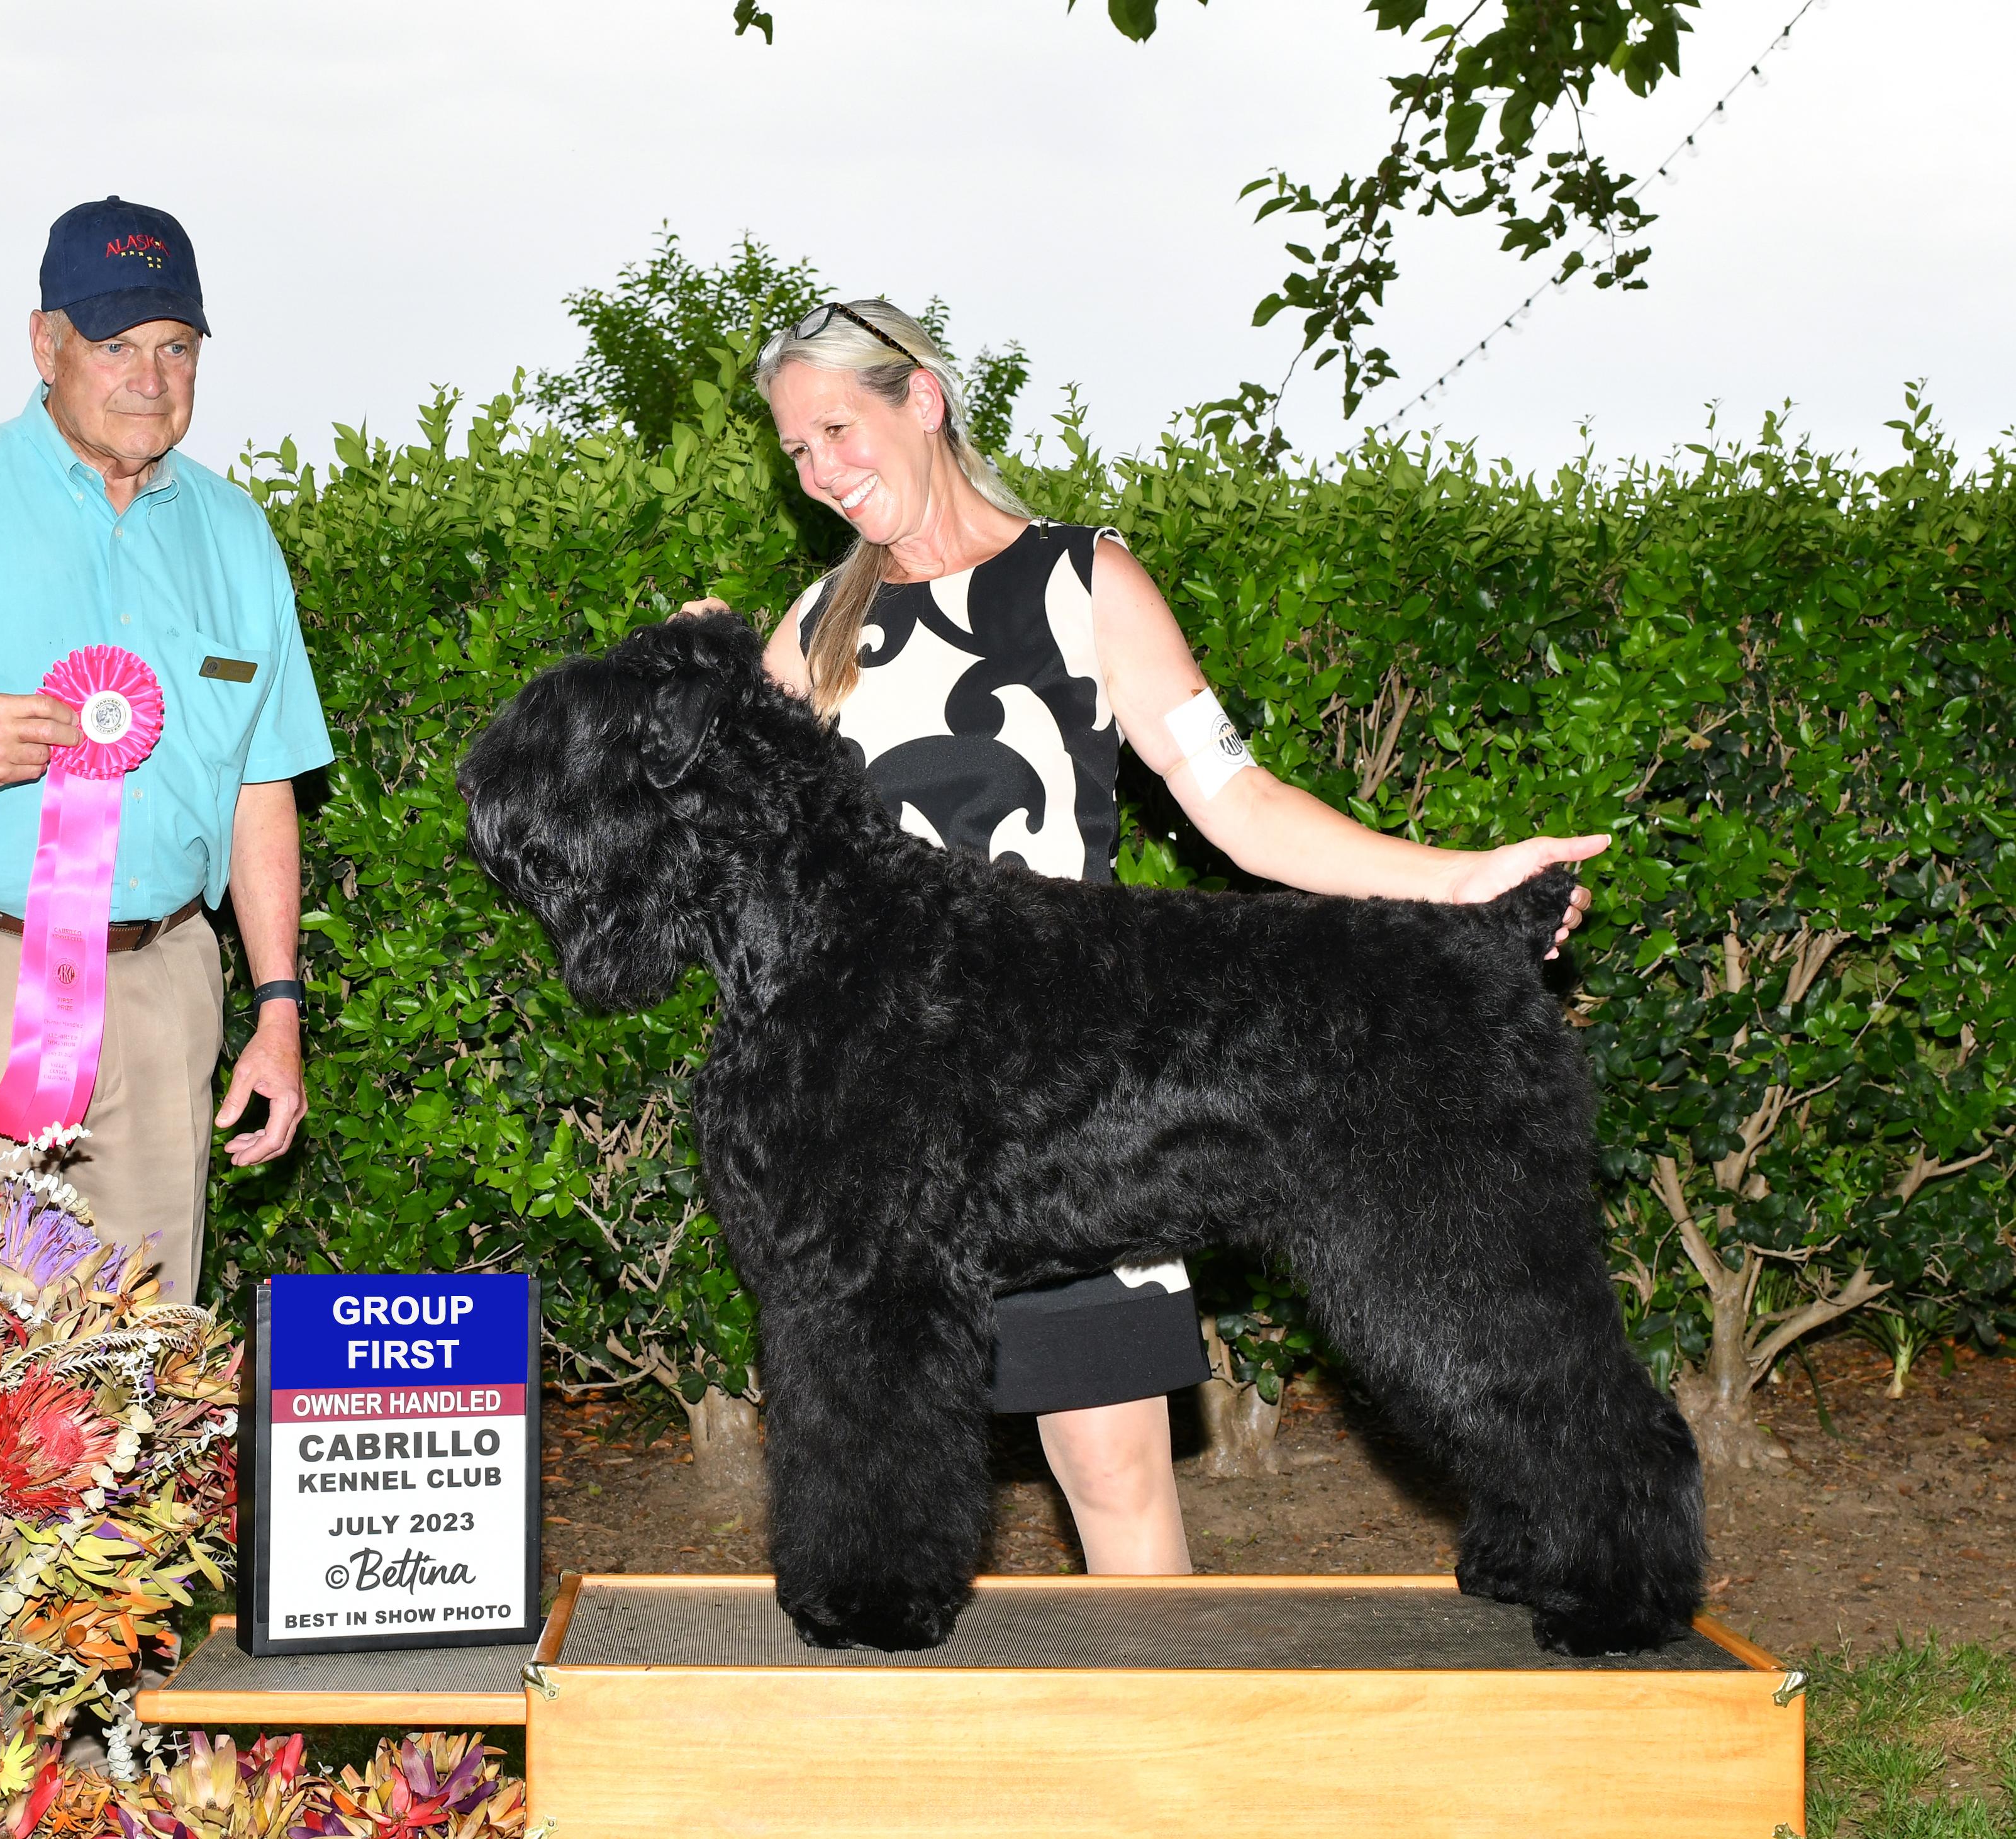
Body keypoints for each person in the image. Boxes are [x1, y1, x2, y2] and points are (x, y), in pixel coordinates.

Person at [686, 298, 1601, 1573]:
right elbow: (734, 845)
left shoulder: (1086, 581)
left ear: (923, 400)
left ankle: (1175, 1717)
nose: (821, 470)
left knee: (1112, 1472)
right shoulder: (811, 629)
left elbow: (1239, 803)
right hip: (899, 1126)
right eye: (797, 450)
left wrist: (1463, 884)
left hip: (1090, 1096)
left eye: (838, 429)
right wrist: (698, 690)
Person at [0, 196, 333, 1297]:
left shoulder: (239, 537)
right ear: (46, 344)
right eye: (117, 344)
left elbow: (261, 788)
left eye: (176, 347)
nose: (151, 378)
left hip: (166, 990)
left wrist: (278, 1008)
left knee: (143, 1343)